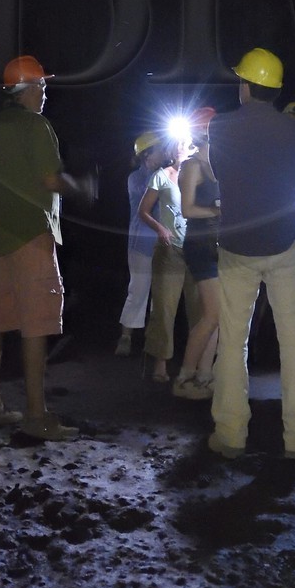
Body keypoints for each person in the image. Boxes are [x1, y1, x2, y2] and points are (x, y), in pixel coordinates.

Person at [206, 47, 295, 459]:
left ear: (245, 85)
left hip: (237, 246)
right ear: (273, 89)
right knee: (294, 341)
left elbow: (221, 174)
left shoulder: (219, 127)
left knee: (234, 342)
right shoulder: (294, 129)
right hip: (283, 244)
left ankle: (230, 434)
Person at [0, 54, 93, 441]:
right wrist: (80, 188)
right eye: (42, 85)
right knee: (36, 325)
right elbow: (50, 179)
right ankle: (35, 415)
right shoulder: (37, 125)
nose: (46, 92)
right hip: (31, 236)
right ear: (27, 90)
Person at [141, 133, 199, 384]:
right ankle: (160, 364)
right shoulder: (161, 176)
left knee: (200, 310)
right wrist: (160, 229)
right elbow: (143, 211)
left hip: (196, 252)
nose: (179, 149)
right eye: (176, 144)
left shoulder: (200, 175)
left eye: (184, 144)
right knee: (164, 309)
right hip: (170, 251)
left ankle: (196, 365)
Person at [172, 107, 220, 400]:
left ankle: (204, 376)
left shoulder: (214, 163)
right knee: (213, 314)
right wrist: (218, 211)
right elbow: (187, 209)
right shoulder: (191, 166)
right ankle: (184, 378)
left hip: (217, 244)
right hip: (200, 245)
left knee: (217, 315)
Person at [115, 131, 162, 356]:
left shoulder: (166, 174)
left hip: (163, 243)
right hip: (141, 243)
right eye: (160, 150)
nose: (164, 153)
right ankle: (126, 336)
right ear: (147, 155)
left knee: (160, 294)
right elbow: (147, 198)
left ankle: (152, 341)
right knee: (139, 290)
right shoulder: (136, 178)